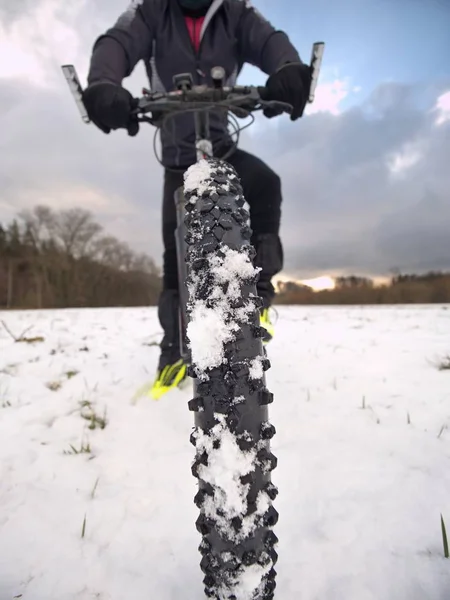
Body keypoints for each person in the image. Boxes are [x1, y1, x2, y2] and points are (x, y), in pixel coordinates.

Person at [83, 0, 311, 399]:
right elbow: (118, 41)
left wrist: (287, 69)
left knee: (264, 183)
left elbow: (269, 41)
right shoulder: (152, 12)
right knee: (175, 253)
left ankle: (256, 298)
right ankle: (172, 353)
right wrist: (104, 82)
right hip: (175, 155)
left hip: (221, 145)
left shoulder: (235, 13)